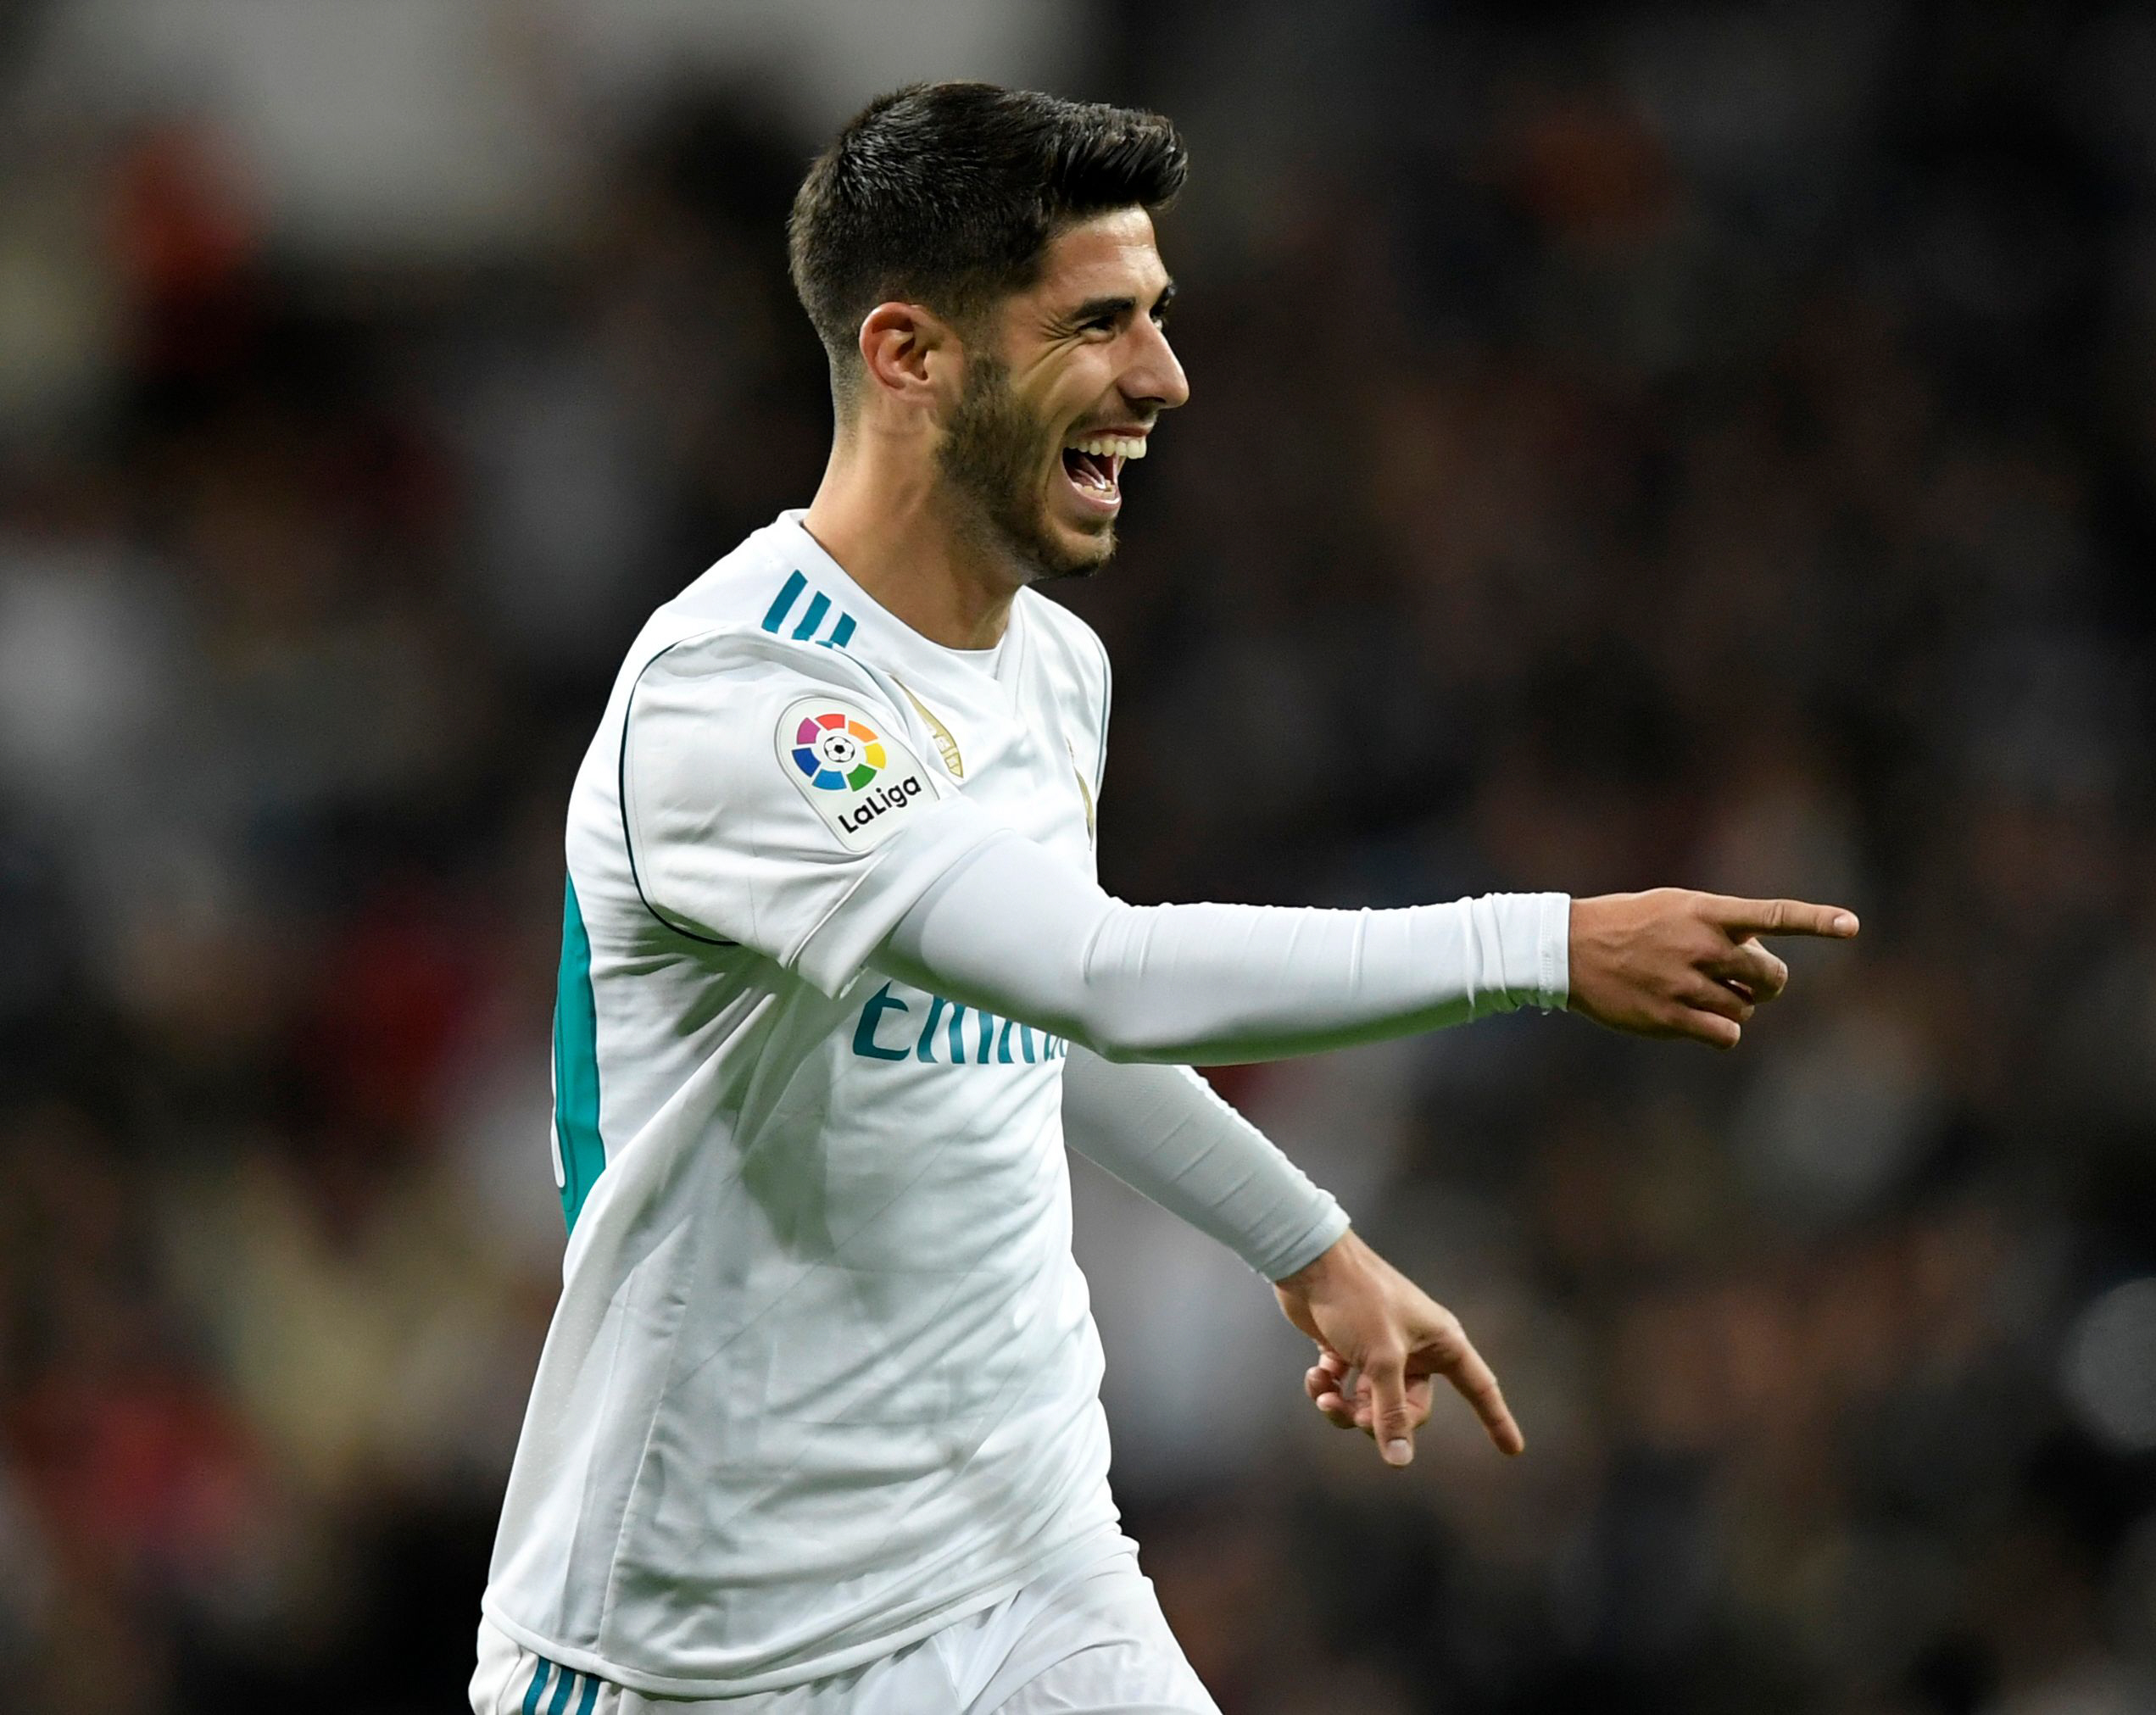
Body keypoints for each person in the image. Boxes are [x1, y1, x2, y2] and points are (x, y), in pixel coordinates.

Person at [471, 81, 1858, 1715]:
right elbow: (1100, 974)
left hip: (1022, 1559)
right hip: (701, 1639)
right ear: (909, 354)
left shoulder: (1053, 669)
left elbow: (1028, 1025)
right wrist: (1542, 945)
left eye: (1159, 317)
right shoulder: (744, 701)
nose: (1163, 376)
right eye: (1098, 324)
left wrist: (1307, 1241)